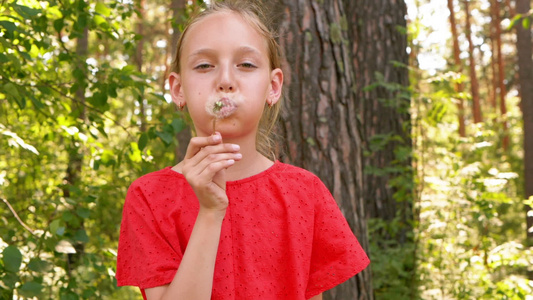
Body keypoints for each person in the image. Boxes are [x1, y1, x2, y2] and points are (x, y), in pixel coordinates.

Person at [115, 1, 370, 299]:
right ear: (178, 89)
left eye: (246, 65)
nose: (225, 81)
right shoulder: (149, 196)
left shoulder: (305, 193)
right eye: (204, 66)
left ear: (273, 87)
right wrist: (210, 213)